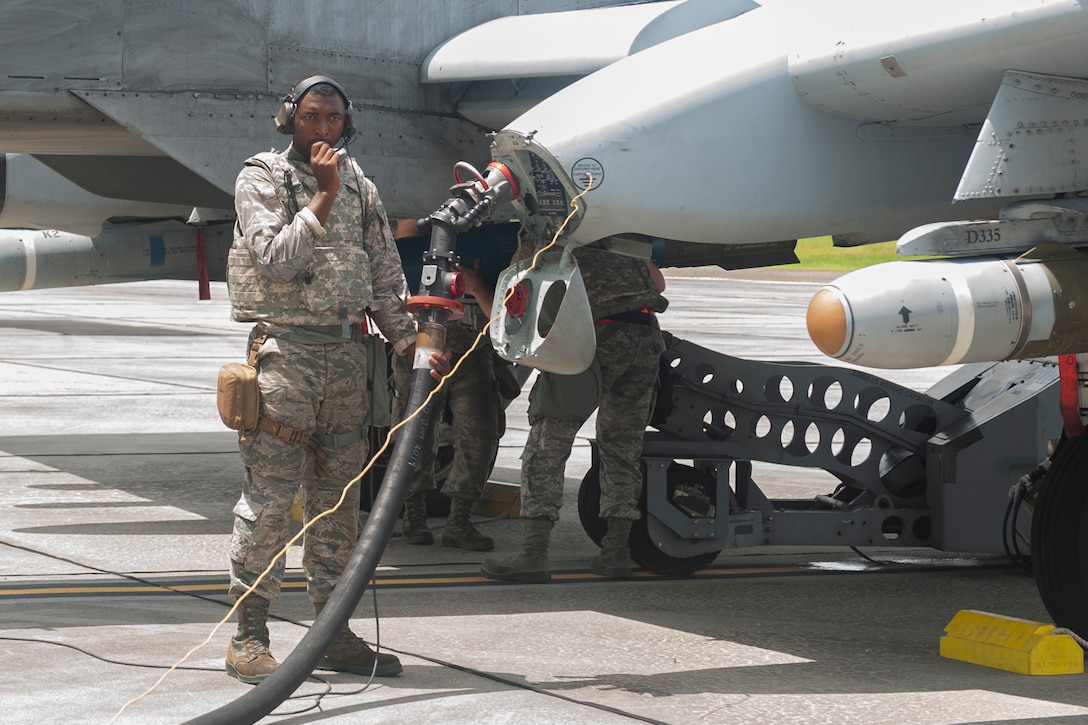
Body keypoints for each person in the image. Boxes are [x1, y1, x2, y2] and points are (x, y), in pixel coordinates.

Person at [224, 73, 448, 684]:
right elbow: (276, 260)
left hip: (349, 361)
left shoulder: (362, 187)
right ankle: (248, 636)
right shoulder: (262, 178)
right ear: (289, 118)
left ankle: (334, 632)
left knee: (340, 507)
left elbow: (381, 275)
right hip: (287, 358)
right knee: (270, 503)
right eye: (311, 117)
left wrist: (411, 342)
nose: (322, 128)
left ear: (346, 123)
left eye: (333, 118)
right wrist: (321, 195)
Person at [481, 242, 668, 583]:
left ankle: (534, 554)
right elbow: (657, 283)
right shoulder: (623, 226)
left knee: (547, 443)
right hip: (644, 336)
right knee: (622, 448)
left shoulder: (556, 222)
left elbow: (518, 279)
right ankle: (617, 550)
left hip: (594, 335)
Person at [391, 257, 506, 551]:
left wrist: (477, 286)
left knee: (479, 432)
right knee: (415, 431)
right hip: (421, 347)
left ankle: (460, 520)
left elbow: (502, 317)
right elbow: (403, 243)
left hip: (472, 351)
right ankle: (413, 514)